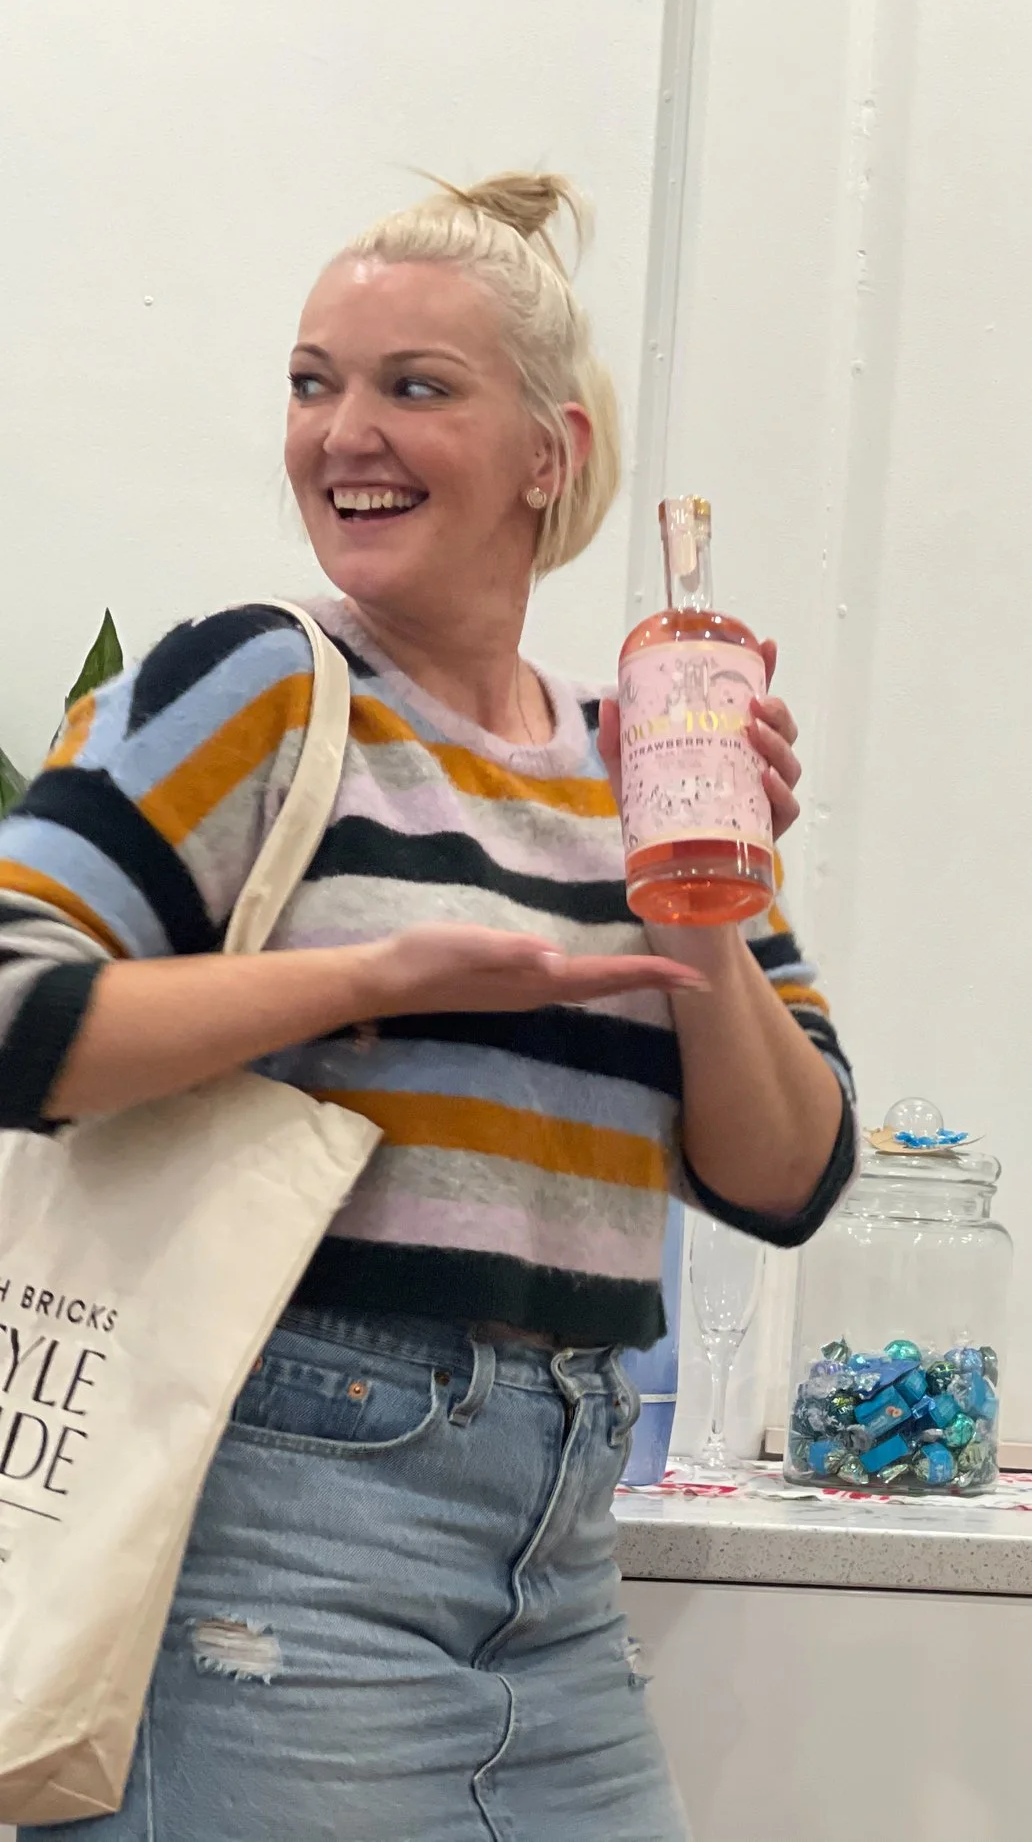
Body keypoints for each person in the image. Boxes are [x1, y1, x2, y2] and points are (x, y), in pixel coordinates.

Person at [2, 173, 858, 1841]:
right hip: (279, 1526)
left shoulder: (644, 751)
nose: (344, 434)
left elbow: (788, 1176)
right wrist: (373, 978)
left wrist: (697, 895)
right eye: (313, 383)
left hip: (562, 1555)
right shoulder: (258, 681)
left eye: (415, 386)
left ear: (549, 454)